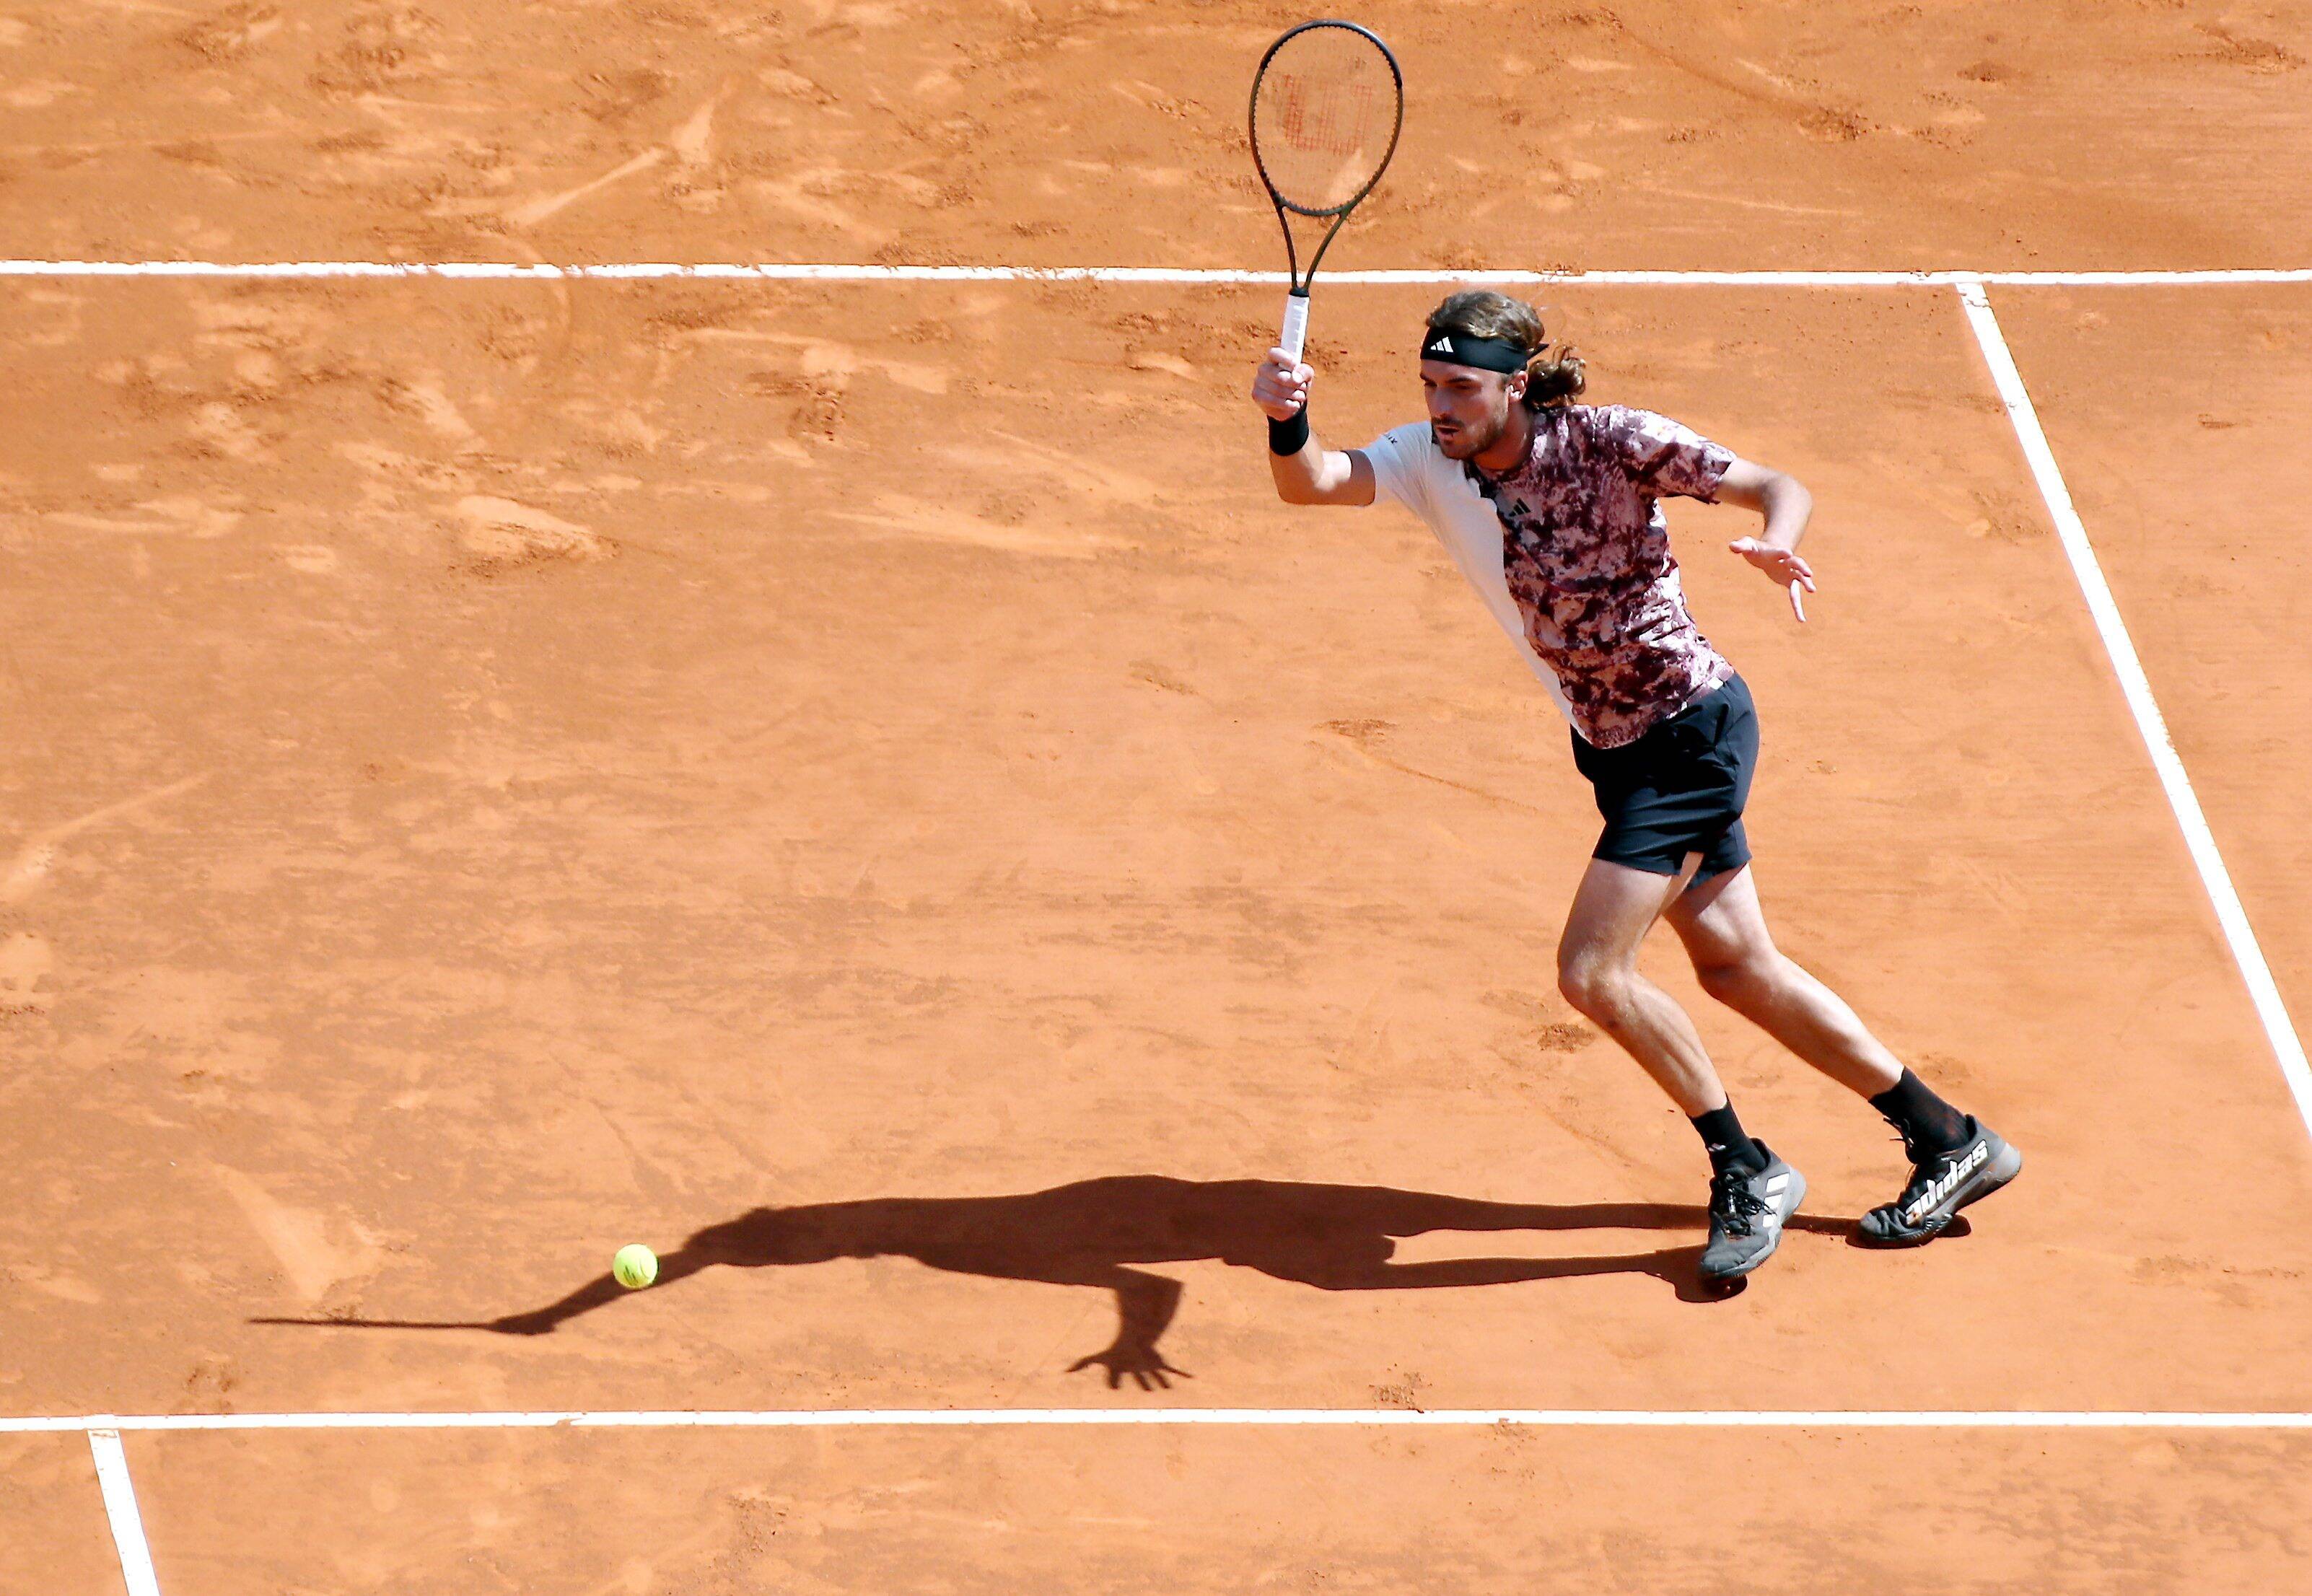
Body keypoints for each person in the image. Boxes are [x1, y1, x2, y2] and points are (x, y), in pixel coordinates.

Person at [1249, 288, 2020, 1281]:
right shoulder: (1421, 458)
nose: (1442, 404)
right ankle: (1951, 1139)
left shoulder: (1611, 441)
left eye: (1464, 387)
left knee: (1591, 973)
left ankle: (1746, 1166)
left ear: (1515, 385)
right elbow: (1311, 482)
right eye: (1431, 384)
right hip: (1612, 746)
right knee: (1738, 967)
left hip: (1691, 732)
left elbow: (1774, 483)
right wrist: (1287, 417)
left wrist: (1780, 538)